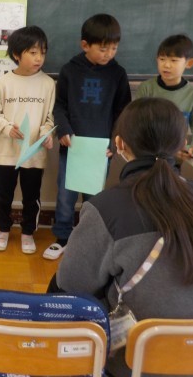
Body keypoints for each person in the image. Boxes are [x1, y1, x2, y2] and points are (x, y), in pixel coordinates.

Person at [54, 97, 193, 377]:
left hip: (135, 364)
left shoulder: (106, 207)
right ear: (182, 145)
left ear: (120, 145)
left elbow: (70, 285)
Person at [47, 13, 131, 260]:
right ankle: (62, 237)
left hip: (101, 149)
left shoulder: (118, 74)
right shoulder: (70, 71)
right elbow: (59, 105)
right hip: (73, 146)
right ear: (85, 45)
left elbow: (123, 111)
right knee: (66, 195)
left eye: (113, 48)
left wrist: (115, 142)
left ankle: (90, 238)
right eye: (103, 49)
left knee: (94, 197)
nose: (109, 54)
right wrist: (63, 129)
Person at [0, 26, 55, 254]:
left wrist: (46, 133)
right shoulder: (4, 82)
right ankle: (3, 230)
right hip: (6, 152)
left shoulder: (48, 84)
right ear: (17, 54)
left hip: (34, 153)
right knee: (3, 195)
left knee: (31, 196)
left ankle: (28, 232)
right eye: (33, 53)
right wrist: (7, 128)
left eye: (42, 53)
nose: (39, 58)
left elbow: (50, 118)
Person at [136, 34, 193, 157]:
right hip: (149, 153)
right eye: (162, 59)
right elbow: (137, 123)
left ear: (189, 63)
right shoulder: (146, 88)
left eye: (174, 60)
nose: (166, 65)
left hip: (179, 154)